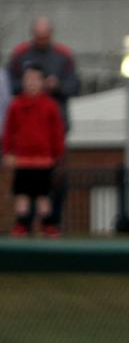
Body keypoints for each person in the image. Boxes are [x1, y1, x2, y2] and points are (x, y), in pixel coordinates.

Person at [7, 17, 79, 233]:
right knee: (23, 189)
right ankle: (23, 224)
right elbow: (9, 83)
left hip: (49, 143)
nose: (41, 40)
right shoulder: (20, 55)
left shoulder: (63, 56)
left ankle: (51, 223)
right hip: (24, 149)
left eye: (45, 36)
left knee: (51, 186)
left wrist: (56, 87)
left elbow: (74, 85)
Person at [3, 65, 66, 237]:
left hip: (44, 160)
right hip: (22, 159)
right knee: (22, 194)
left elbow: (57, 132)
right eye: (28, 79)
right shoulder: (16, 105)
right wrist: (8, 152)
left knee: (43, 195)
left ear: (43, 82)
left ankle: (48, 225)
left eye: (35, 79)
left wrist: (57, 154)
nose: (31, 83)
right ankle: (21, 224)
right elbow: (9, 131)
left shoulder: (50, 105)